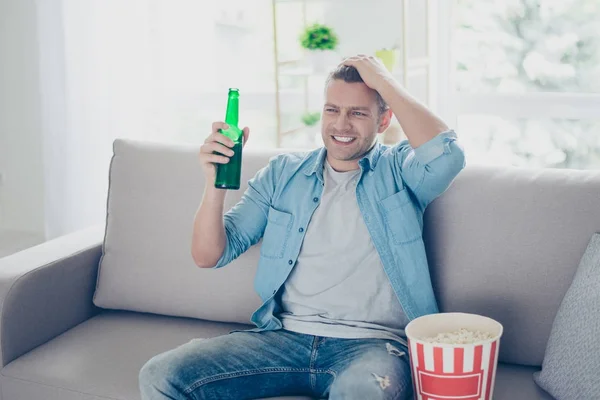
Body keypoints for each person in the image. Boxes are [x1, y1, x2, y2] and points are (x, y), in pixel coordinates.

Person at [139, 54, 466, 400]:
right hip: (283, 339)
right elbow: (208, 255)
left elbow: (449, 156)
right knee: (160, 375)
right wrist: (213, 183)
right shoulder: (283, 174)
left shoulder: (401, 171)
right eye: (332, 110)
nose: (341, 124)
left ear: (384, 120)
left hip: (373, 345)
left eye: (357, 112)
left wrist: (383, 81)